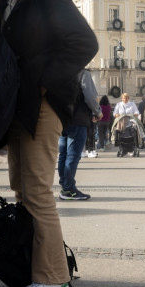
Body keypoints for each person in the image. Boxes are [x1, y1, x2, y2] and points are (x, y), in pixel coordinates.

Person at [0, 0, 97, 287]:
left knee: (37, 191)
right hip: (20, 106)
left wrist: (42, 83)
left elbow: (84, 43)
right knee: (22, 190)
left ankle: (53, 280)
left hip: (42, 103)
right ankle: (32, 269)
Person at [58, 70, 101, 200]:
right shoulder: (81, 72)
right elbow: (90, 96)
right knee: (73, 155)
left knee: (63, 155)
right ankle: (68, 189)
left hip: (62, 120)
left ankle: (65, 186)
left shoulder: (60, 71)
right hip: (78, 119)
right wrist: (97, 111)